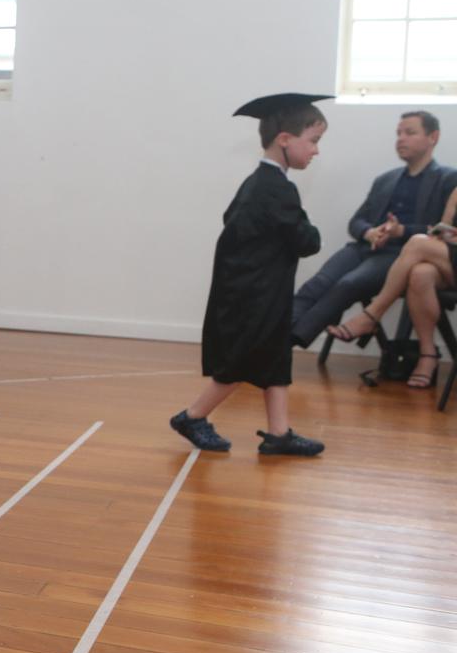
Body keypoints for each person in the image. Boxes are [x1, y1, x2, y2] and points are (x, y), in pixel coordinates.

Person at [169, 93, 327, 458]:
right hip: (254, 293)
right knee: (241, 361)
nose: (316, 151)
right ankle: (192, 416)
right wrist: (309, 231)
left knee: (274, 358)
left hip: (258, 289)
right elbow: (307, 241)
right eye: (313, 141)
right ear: (285, 140)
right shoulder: (276, 189)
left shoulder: (257, 183)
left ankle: (279, 433)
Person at [291, 111, 452, 349]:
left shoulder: (448, 179)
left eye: (410, 132)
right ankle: (276, 334)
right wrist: (370, 232)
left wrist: (401, 231)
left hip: (400, 256)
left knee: (349, 284)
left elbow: (443, 231)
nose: (401, 138)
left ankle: (288, 341)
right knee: (318, 283)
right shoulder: (385, 179)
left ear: (433, 137)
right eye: (398, 133)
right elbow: (356, 222)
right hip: (364, 247)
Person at [327, 186, 457, 388]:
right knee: (420, 274)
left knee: (417, 243)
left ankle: (371, 315)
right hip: (451, 262)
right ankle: (428, 353)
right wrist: (441, 234)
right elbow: (445, 228)